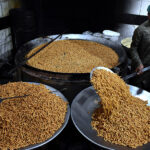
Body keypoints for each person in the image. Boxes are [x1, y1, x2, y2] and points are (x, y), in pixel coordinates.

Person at [129, 5, 150, 91]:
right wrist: (138, 63)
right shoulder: (141, 30)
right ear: (148, 15)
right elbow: (133, 48)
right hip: (141, 70)